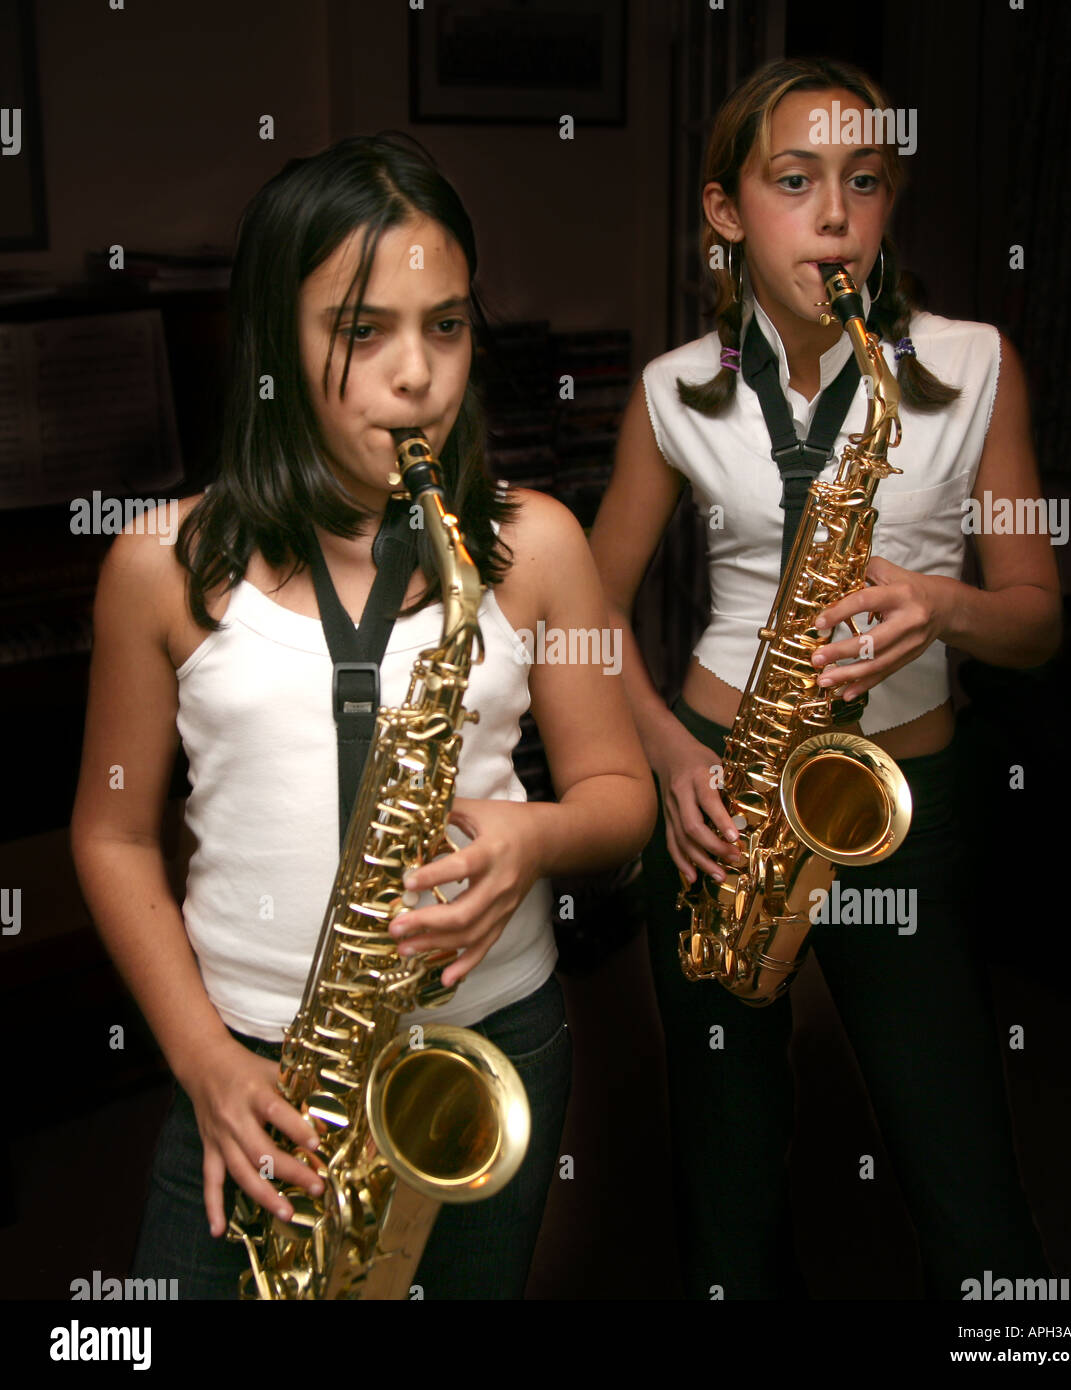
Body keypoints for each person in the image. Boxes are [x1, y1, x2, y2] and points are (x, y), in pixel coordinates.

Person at [69, 133, 655, 1300]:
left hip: (481, 1049)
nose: (416, 374)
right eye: (361, 330)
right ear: (270, 345)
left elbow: (621, 798)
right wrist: (201, 1060)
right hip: (254, 1072)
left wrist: (533, 837)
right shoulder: (160, 563)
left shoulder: (533, 541)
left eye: (445, 325)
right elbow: (112, 832)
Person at [590, 57, 1060, 1299]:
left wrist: (947, 603)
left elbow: (1037, 620)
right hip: (720, 799)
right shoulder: (673, 392)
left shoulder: (970, 365)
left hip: (897, 807)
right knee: (725, 1173)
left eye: (864, 180)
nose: (836, 214)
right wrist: (669, 751)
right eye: (795, 181)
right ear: (727, 211)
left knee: (962, 1168)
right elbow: (578, 613)